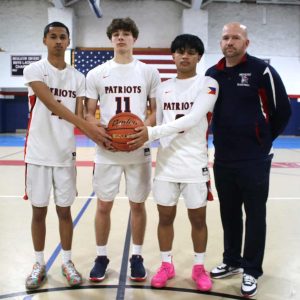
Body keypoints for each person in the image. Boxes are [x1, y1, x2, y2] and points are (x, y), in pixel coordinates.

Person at [205, 22, 291, 297]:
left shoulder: (260, 70)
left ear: (246, 42)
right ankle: (231, 261)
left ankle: (252, 270)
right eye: (225, 38)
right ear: (221, 43)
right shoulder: (212, 73)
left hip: (254, 158)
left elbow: (282, 110)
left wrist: (263, 140)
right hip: (223, 157)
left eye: (236, 38)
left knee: (255, 215)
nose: (230, 42)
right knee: (228, 213)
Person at [23, 21, 110, 290]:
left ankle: (67, 261)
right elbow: (51, 103)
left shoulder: (78, 77)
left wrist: (101, 128)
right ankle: (38, 263)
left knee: (64, 211)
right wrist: (86, 127)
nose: (58, 41)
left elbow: (83, 113)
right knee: (38, 211)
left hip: (64, 154)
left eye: (63, 37)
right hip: (38, 153)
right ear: (44, 40)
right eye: (53, 36)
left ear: (68, 41)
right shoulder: (34, 69)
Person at [129, 34, 219, 291]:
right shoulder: (162, 88)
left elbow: (192, 119)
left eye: (191, 52)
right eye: (180, 51)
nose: (185, 56)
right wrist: (134, 138)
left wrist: (151, 133)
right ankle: (166, 264)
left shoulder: (208, 83)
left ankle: (199, 267)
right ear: (173, 55)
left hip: (194, 162)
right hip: (167, 164)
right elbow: (156, 122)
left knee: (198, 219)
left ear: (199, 57)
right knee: (165, 217)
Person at [84, 17, 160, 282]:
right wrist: (97, 131)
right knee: (103, 205)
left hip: (138, 150)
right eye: (116, 34)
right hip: (107, 150)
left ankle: (136, 256)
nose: (120, 37)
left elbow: (155, 111)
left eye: (126, 33)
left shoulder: (148, 72)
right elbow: (88, 112)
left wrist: (145, 131)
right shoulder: (97, 73)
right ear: (110, 39)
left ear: (134, 39)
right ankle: (101, 256)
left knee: (137, 205)